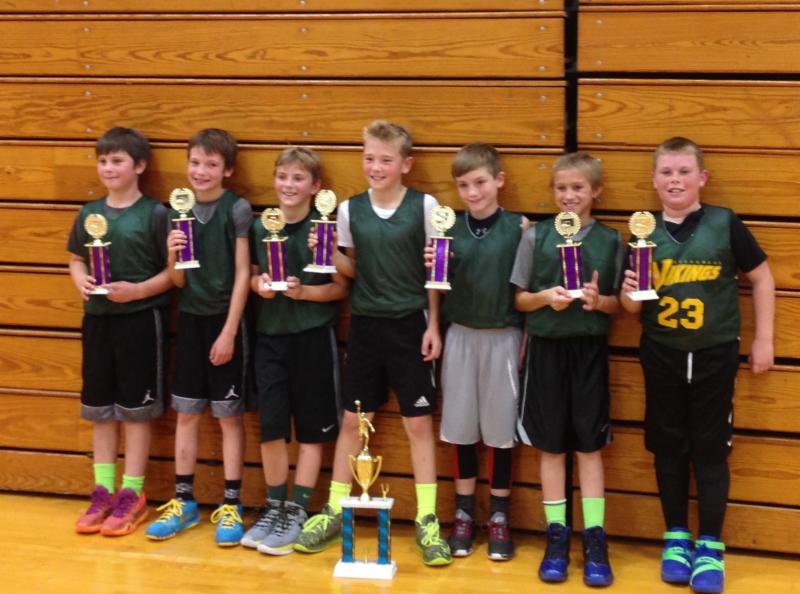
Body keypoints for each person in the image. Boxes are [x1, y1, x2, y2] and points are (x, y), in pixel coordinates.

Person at [294, 120, 452, 566]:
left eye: (385, 159)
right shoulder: (348, 210)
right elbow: (353, 271)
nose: (376, 167)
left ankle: (427, 519)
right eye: (369, 158)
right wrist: (328, 253)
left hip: (411, 324)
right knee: (352, 421)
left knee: (417, 424)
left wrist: (433, 326)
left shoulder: (426, 206)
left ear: (406, 164)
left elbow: (435, 274)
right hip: (365, 326)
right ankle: (333, 510)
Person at [621, 137, 775, 594]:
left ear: (702, 178)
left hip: (714, 353)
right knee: (667, 447)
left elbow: (762, 278)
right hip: (661, 352)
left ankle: (710, 545)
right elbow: (630, 309)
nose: (675, 180)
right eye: (667, 172)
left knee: (710, 450)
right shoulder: (643, 233)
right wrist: (629, 293)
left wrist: (764, 339)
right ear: (654, 180)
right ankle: (675, 538)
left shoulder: (725, 223)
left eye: (684, 172)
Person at [511, 152, 623, 586]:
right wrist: (545, 298)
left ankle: (595, 539)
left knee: (590, 448)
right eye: (561, 188)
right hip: (546, 350)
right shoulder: (535, 236)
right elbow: (520, 299)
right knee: (551, 447)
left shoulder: (612, 241)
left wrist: (599, 301)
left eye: (578, 187)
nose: (569, 195)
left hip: (589, 351)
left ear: (596, 191)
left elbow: (621, 305)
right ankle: (556, 537)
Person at [145, 128, 253, 547]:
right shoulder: (178, 209)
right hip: (190, 321)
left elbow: (243, 274)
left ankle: (232, 504)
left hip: (227, 322)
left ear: (227, 170)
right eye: (195, 162)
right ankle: (184, 501)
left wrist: (229, 331)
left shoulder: (236, 208)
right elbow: (176, 281)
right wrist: (173, 254)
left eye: (211, 164)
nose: (201, 171)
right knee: (187, 414)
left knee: (228, 417)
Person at [241, 147, 348, 555]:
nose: (288, 185)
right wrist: (260, 287)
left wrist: (305, 293)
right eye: (282, 176)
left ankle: (297, 510)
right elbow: (251, 276)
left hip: (313, 338)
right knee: (270, 426)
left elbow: (340, 289)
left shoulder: (324, 229)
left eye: (298, 178)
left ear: (315, 186)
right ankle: (274, 507)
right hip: (270, 338)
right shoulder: (260, 227)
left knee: (311, 429)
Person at [70, 126, 172, 536]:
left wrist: (138, 291)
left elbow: (174, 274)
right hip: (97, 320)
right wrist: (80, 278)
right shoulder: (88, 213)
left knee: (135, 412)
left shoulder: (156, 213)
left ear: (140, 165)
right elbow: (76, 258)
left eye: (117, 160)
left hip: (141, 321)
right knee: (101, 411)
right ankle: (103, 492)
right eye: (103, 161)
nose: (108, 168)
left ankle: (132, 493)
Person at [429, 143, 525, 561]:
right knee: (460, 427)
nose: (472, 192)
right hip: (460, 336)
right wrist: (434, 326)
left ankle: (499, 516)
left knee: (502, 431)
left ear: (499, 180)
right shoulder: (447, 228)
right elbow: (435, 286)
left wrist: (525, 340)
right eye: (464, 185)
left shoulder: (520, 228)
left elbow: (526, 290)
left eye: (480, 182)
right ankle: (464, 513)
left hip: (504, 336)